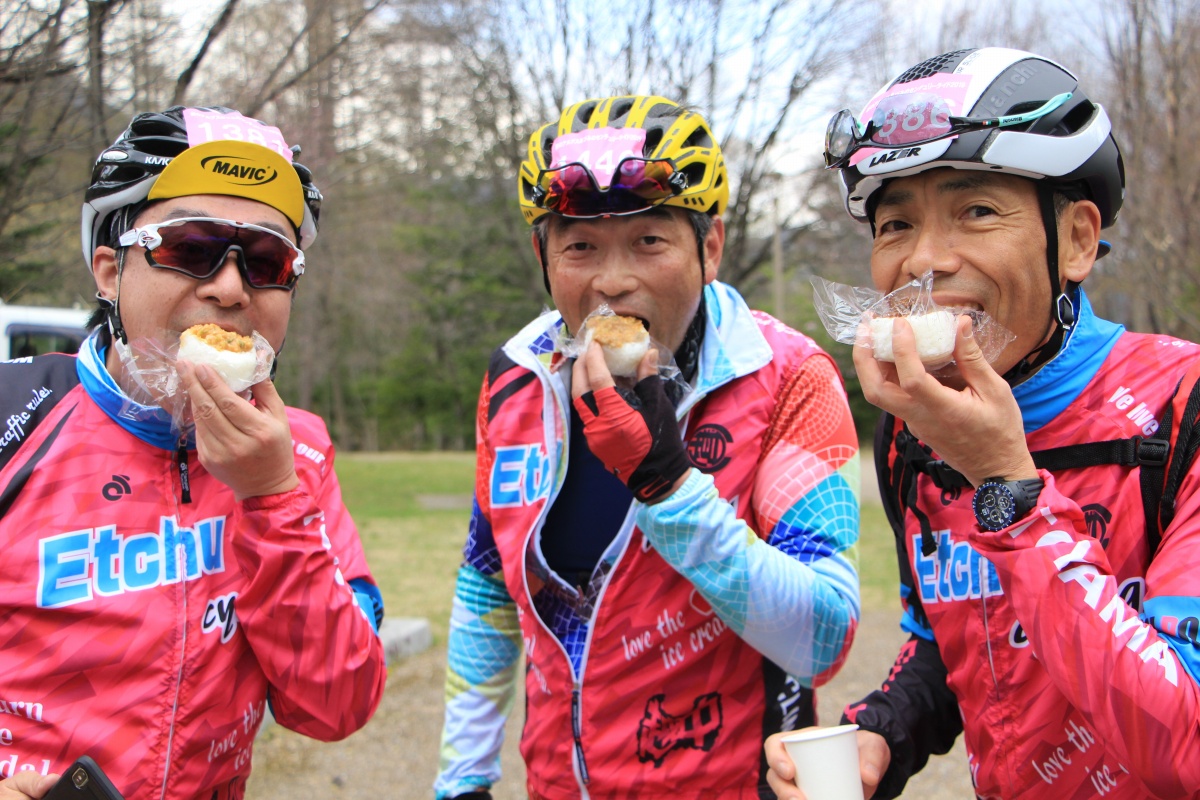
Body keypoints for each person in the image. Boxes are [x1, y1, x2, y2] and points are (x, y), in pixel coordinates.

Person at [764, 46, 1200, 799]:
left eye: (976, 211)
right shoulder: (909, 434)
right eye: (895, 224)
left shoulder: (1182, 405)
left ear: (1077, 241)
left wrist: (1007, 486)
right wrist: (884, 731)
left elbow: (1184, 747)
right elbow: (952, 636)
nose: (924, 263)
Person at [433, 95, 861, 800]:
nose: (612, 280)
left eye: (649, 242)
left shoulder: (789, 376)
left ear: (711, 247)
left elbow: (825, 639)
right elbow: (487, 584)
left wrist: (670, 487)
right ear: (544, 258)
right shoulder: (515, 378)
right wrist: (463, 779)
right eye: (580, 247)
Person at [0, 106, 387, 800]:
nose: (232, 289)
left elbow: (336, 706)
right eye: (188, 248)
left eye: (268, 261)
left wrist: (272, 498)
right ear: (111, 272)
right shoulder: (13, 421)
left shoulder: (298, 450)